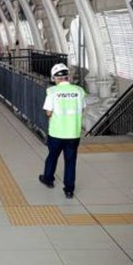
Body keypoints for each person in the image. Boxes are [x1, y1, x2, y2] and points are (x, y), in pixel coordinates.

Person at [38, 63, 86, 199]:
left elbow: (48, 112)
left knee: (52, 156)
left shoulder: (52, 92)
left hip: (56, 133)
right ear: (67, 77)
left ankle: (48, 179)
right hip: (73, 133)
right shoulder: (79, 91)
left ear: (55, 78)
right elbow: (82, 109)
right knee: (70, 161)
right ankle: (69, 190)